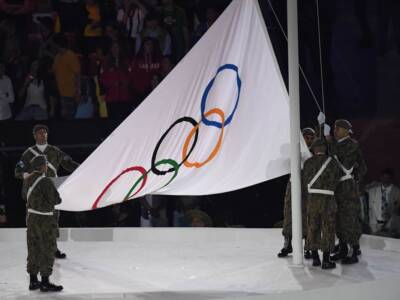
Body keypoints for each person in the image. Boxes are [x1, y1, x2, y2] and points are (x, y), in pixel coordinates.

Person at [15, 124, 80, 259]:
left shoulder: (55, 151)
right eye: (39, 133)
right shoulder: (28, 153)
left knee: (53, 220)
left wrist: (83, 168)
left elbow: (68, 164)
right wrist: (27, 175)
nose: (42, 135)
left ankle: (52, 248)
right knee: (34, 221)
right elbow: (18, 171)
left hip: (51, 190)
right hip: (35, 192)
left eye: (44, 133)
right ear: (34, 135)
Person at [327, 119, 367, 264]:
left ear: (346, 130)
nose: (334, 131)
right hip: (338, 187)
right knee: (338, 218)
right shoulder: (338, 144)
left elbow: (343, 163)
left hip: (347, 188)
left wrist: (328, 141)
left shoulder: (351, 144)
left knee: (349, 218)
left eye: (337, 128)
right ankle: (343, 248)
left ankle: (353, 250)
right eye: (334, 128)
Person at [25, 155, 63, 292]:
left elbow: (25, 196)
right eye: (46, 164)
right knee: (47, 249)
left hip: (31, 219)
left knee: (33, 249)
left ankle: (33, 281)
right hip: (45, 220)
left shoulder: (27, 180)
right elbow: (56, 200)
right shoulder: (45, 181)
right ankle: (45, 282)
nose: (47, 166)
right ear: (42, 166)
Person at [278, 127, 315, 258]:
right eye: (306, 137)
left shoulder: (314, 152)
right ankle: (287, 243)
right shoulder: (294, 149)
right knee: (289, 213)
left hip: (307, 186)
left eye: (311, 138)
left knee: (307, 214)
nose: (309, 140)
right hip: (293, 184)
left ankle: (308, 246)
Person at [303, 139, 341, 269]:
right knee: (328, 229)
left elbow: (304, 182)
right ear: (325, 148)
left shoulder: (308, 163)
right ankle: (326, 260)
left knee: (312, 227)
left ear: (313, 149)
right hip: (328, 198)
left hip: (312, 199)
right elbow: (338, 179)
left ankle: (315, 258)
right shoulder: (332, 162)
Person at [52, 34, 81, 119]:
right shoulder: (57, 56)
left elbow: (77, 74)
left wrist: (78, 92)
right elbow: (54, 71)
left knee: (67, 119)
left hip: (69, 93)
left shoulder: (71, 56)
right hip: (59, 93)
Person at [365, 169, 400, 235]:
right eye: (384, 177)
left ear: (391, 179)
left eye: (388, 178)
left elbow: (397, 209)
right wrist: (373, 184)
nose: (386, 180)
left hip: (390, 225)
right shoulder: (373, 189)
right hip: (374, 225)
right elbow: (362, 189)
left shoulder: (397, 191)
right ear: (381, 178)